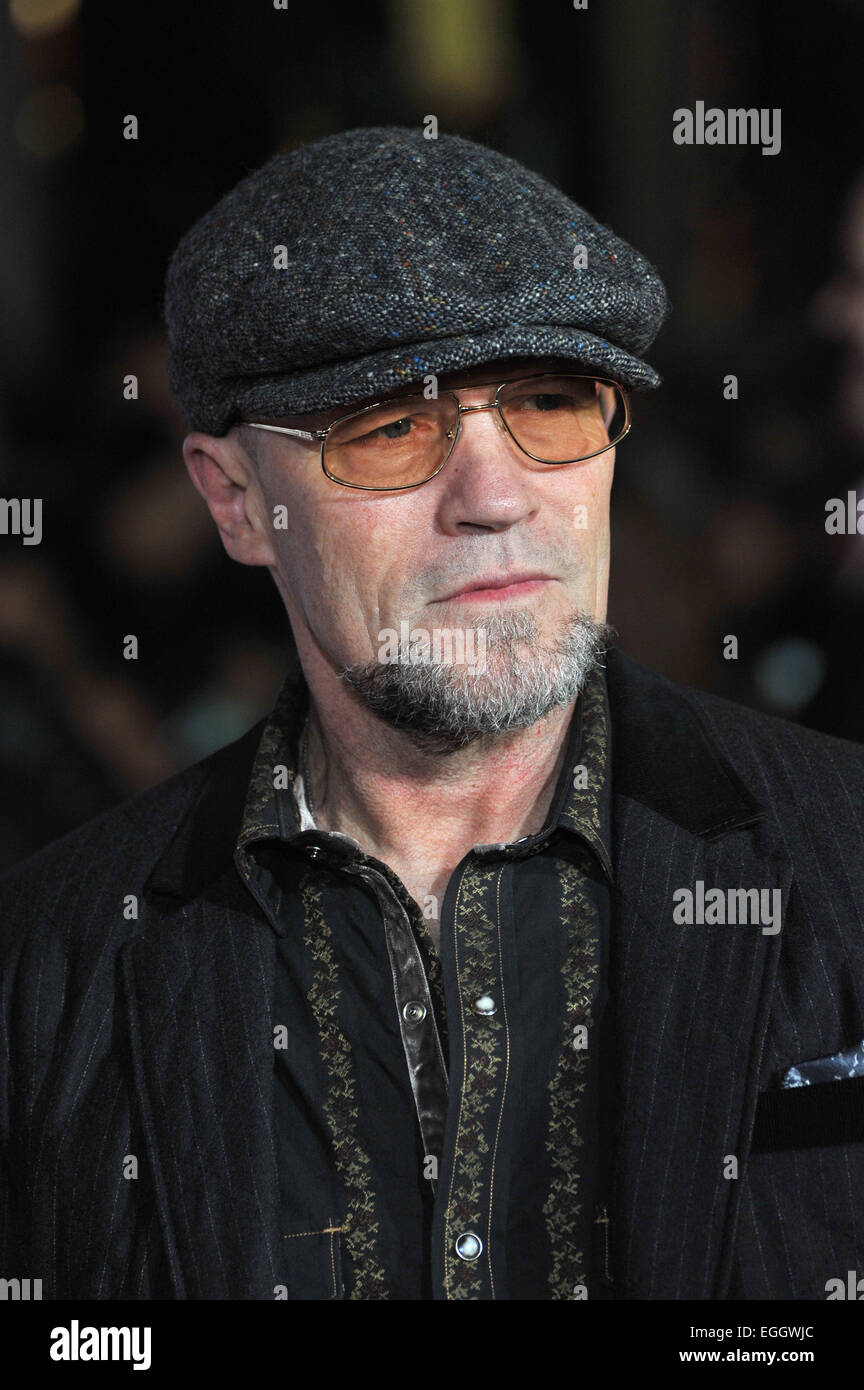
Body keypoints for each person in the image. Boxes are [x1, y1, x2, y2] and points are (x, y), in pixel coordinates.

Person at [2, 126, 864, 1302]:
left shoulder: (845, 854)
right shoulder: (50, 964)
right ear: (238, 501)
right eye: (391, 429)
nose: (496, 495)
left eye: (552, 404)